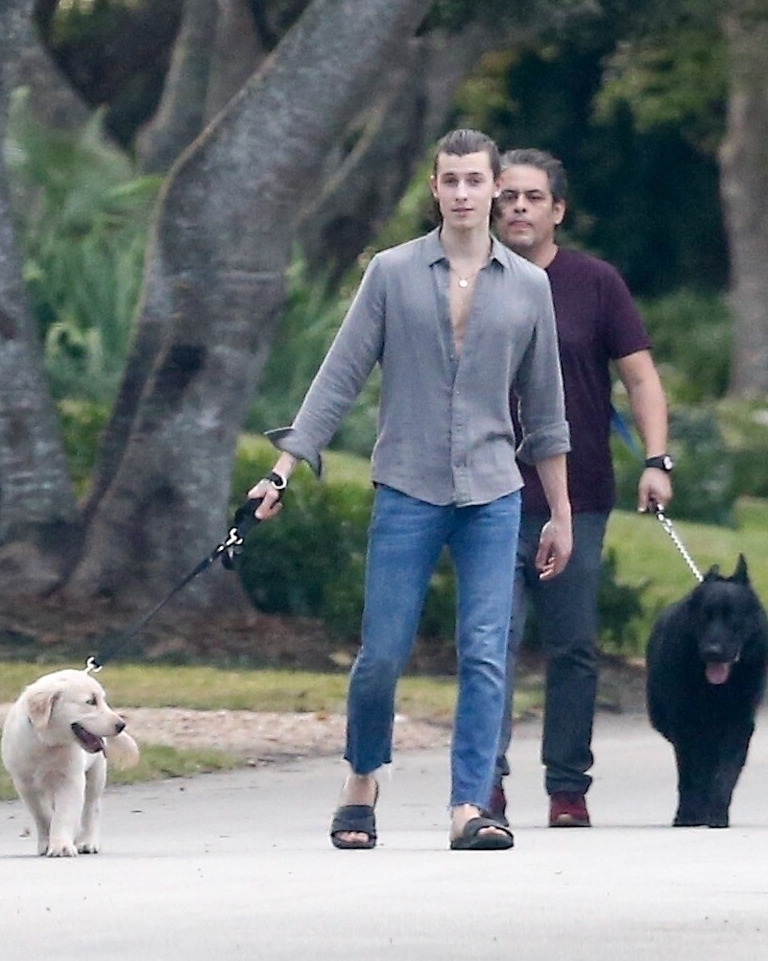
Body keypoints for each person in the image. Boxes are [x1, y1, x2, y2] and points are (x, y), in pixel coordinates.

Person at [251, 129, 573, 852]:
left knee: (486, 652)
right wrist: (283, 469)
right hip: (407, 487)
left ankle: (470, 805)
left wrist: (559, 513)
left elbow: (546, 410)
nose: (462, 193)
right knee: (382, 655)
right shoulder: (391, 273)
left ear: (496, 188)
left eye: (474, 181)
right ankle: (362, 778)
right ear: (434, 188)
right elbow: (338, 377)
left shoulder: (529, 287)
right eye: (449, 180)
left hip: (493, 493)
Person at [492, 149, 673, 829]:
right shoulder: (470, 279)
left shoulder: (595, 284)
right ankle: (484, 779)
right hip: (487, 494)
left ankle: (568, 786)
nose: (518, 208)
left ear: (557, 210)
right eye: (507, 196)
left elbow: (640, 377)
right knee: (492, 642)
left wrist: (656, 460)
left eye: (533, 197)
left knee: (572, 646)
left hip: (579, 495)